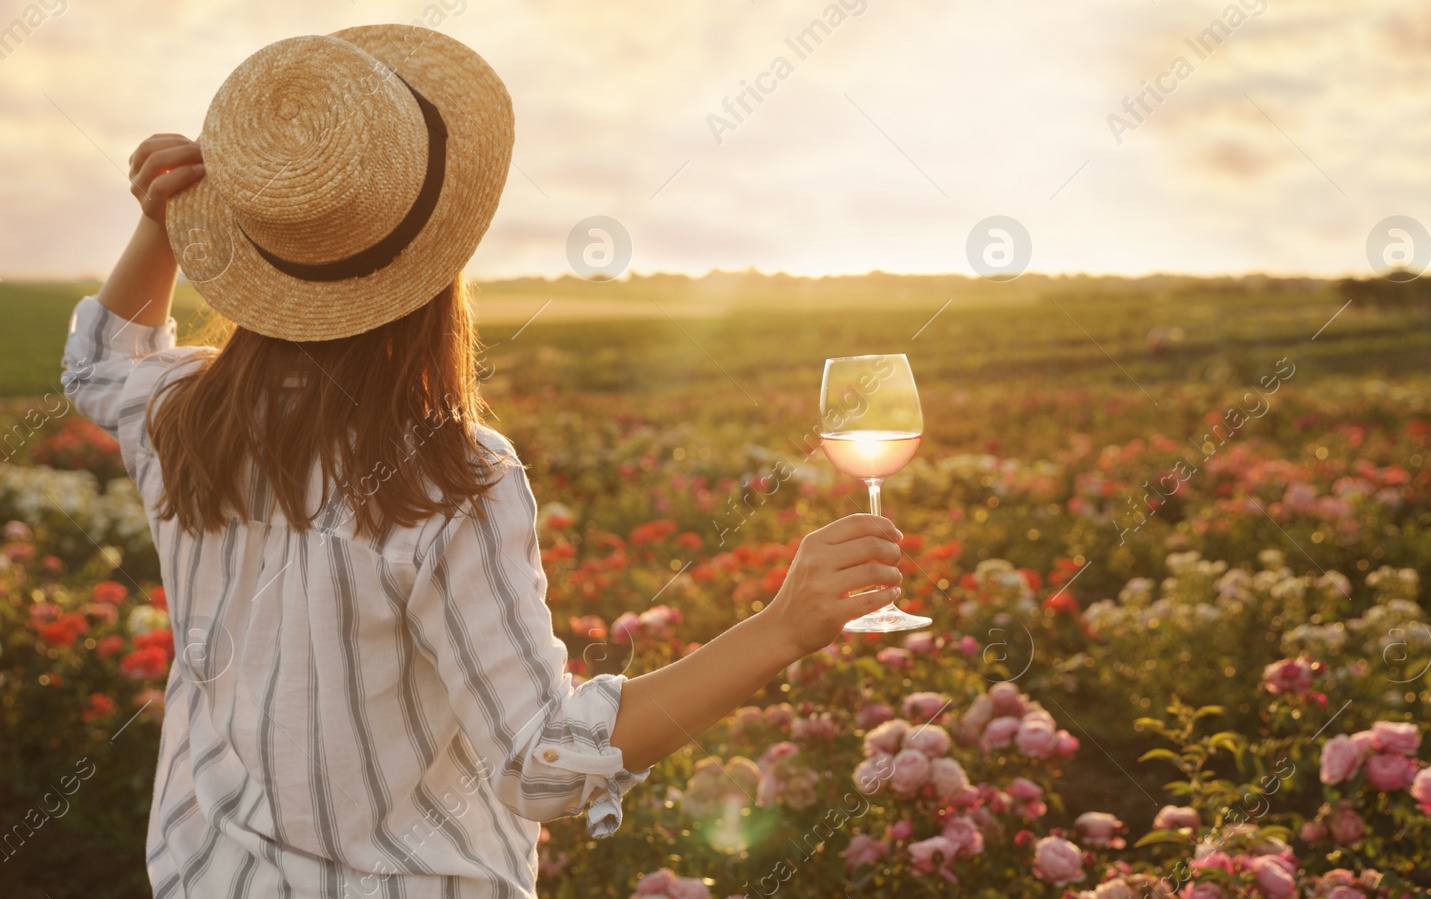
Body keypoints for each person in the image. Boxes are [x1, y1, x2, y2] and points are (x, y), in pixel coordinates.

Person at [62, 25, 904, 898]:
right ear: (440, 258)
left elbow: (97, 368)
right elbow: (543, 767)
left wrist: (162, 223)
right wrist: (784, 625)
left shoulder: (184, 417)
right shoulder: (447, 479)